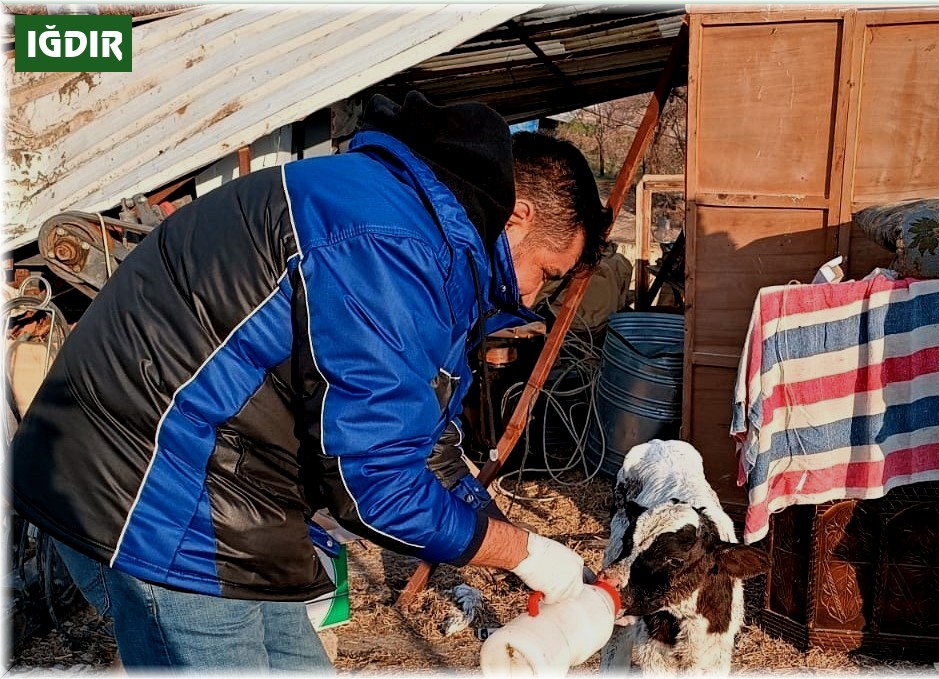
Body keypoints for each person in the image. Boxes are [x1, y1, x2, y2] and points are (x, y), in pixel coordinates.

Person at [7, 90, 611, 670]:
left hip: (232, 481)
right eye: (545, 272)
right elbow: (377, 487)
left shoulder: (433, 245)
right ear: (518, 217)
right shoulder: (391, 244)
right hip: (155, 486)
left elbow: (427, 442)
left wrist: (521, 543)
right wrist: (522, 554)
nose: (530, 297)